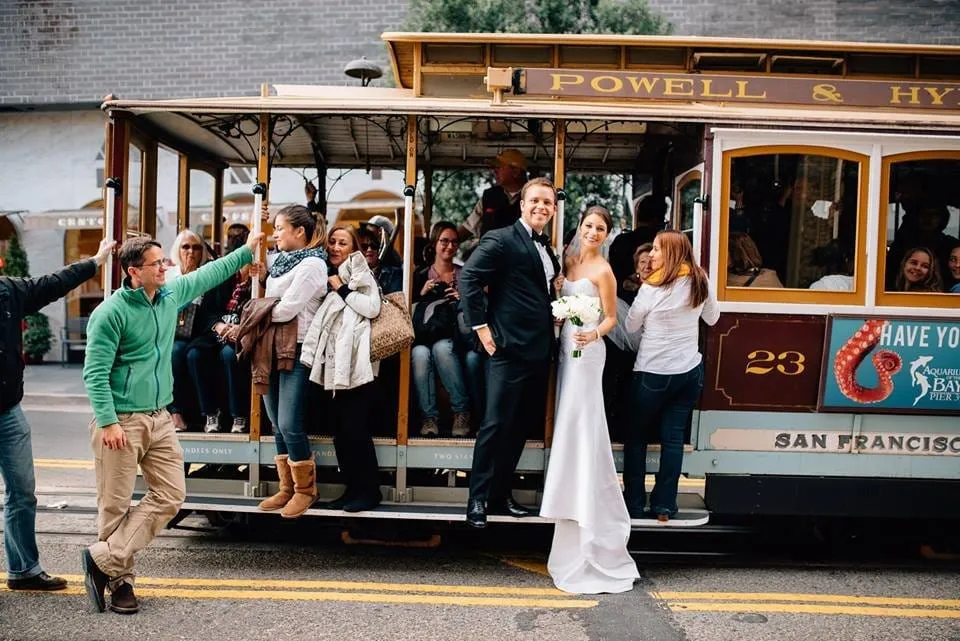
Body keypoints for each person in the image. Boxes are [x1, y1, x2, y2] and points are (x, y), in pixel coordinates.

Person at [81, 231, 261, 615]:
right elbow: (95, 374)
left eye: (164, 261)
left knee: (171, 494)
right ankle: (121, 583)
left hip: (159, 416)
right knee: (114, 507)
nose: (165, 267)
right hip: (121, 420)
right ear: (134, 272)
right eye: (156, 264)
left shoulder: (168, 295)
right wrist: (110, 422)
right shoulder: (110, 313)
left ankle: (102, 558)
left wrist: (247, 248)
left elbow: (210, 273)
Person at [0, 237, 115, 592]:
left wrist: (95, 261)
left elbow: (52, 284)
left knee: (22, 493)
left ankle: (24, 571)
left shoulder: (8, 291)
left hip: (8, 411)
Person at [540, 206, 639, 594]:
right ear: (579, 229)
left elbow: (611, 318)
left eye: (600, 228)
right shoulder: (570, 262)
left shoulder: (604, 271)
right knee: (567, 416)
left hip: (588, 350)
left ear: (608, 234)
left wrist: (592, 334)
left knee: (582, 419)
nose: (593, 232)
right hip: (566, 347)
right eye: (588, 226)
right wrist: (560, 307)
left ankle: (587, 503)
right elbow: (560, 300)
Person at [459, 177, 560, 528]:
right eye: (535, 201)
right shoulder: (500, 239)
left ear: (554, 208)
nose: (541, 207)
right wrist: (481, 327)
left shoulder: (547, 247)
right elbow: (468, 278)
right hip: (508, 349)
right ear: (522, 204)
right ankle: (477, 500)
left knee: (518, 428)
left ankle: (500, 496)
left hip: (539, 351)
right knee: (495, 425)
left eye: (547, 202)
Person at [623, 230, 719, 522]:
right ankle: (664, 506)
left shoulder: (652, 287)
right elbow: (713, 319)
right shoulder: (700, 281)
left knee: (636, 439)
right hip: (689, 371)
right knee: (673, 440)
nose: (651, 254)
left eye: (656, 249)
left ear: (671, 253)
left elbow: (629, 326)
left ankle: (635, 504)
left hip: (653, 371)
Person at [251, 205, 328, 519]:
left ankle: (306, 490)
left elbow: (287, 310)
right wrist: (261, 212)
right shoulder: (280, 261)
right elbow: (253, 250)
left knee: (289, 423)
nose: (275, 234)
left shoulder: (312, 264)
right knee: (276, 425)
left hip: (297, 350)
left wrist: (257, 310)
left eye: (280, 228)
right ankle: (286, 487)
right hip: (271, 348)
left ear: (300, 231)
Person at [301, 224, 383, 512]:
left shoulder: (359, 271)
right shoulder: (331, 274)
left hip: (357, 367)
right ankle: (352, 488)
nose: (335, 247)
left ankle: (369, 491)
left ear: (354, 249)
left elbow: (372, 307)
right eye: (332, 242)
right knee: (341, 431)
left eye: (343, 243)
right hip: (337, 367)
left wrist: (343, 289)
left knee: (355, 430)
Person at [411, 222, 478, 438]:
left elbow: (476, 306)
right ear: (434, 243)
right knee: (419, 353)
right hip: (424, 335)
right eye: (444, 241)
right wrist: (421, 292)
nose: (449, 246)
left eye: (453, 242)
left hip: (454, 336)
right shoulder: (420, 274)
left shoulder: (464, 274)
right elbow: (406, 307)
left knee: (441, 347)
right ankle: (428, 417)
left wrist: (462, 299)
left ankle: (461, 412)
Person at [167, 229, 230, 433]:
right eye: (186, 247)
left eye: (196, 247)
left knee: (195, 355)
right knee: (175, 352)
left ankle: (210, 414)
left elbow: (214, 309)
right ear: (178, 250)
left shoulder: (207, 275)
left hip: (202, 334)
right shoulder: (169, 275)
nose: (191, 252)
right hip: (175, 333)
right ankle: (175, 413)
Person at [211, 225, 253, 433]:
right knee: (193, 354)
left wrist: (241, 329)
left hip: (245, 336)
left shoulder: (258, 280)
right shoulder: (223, 275)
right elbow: (208, 309)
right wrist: (218, 325)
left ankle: (239, 416)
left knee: (230, 355)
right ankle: (210, 413)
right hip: (217, 333)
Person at [457, 149, 528, 245]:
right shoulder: (489, 196)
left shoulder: (536, 198)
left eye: (500, 167)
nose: (495, 170)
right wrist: (443, 241)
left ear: (515, 172)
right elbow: (469, 227)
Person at [359, 216, 403, 294]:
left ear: (380, 232)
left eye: (374, 246)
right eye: (364, 246)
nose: (369, 249)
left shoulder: (392, 264)